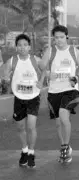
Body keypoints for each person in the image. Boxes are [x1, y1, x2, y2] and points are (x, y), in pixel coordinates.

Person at [39, 25, 79, 163]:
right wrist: (47, 72)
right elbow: (41, 66)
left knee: (64, 116)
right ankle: (64, 145)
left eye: (61, 37)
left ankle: (65, 148)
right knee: (58, 123)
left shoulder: (74, 51)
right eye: (56, 38)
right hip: (54, 91)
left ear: (67, 37)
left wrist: (77, 77)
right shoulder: (51, 51)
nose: (58, 40)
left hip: (70, 90)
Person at [4, 34, 45, 168]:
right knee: (20, 127)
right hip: (19, 98)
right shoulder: (12, 61)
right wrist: (5, 77)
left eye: (25, 45)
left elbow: (45, 69)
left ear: (29, 47)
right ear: (16, 47)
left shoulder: (35, 60)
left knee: (31, 126)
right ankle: (24, 151)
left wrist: (41, 81)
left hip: (33, 97)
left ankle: (32, 153)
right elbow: (4, 72)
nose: (22, 47)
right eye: (19, 45)